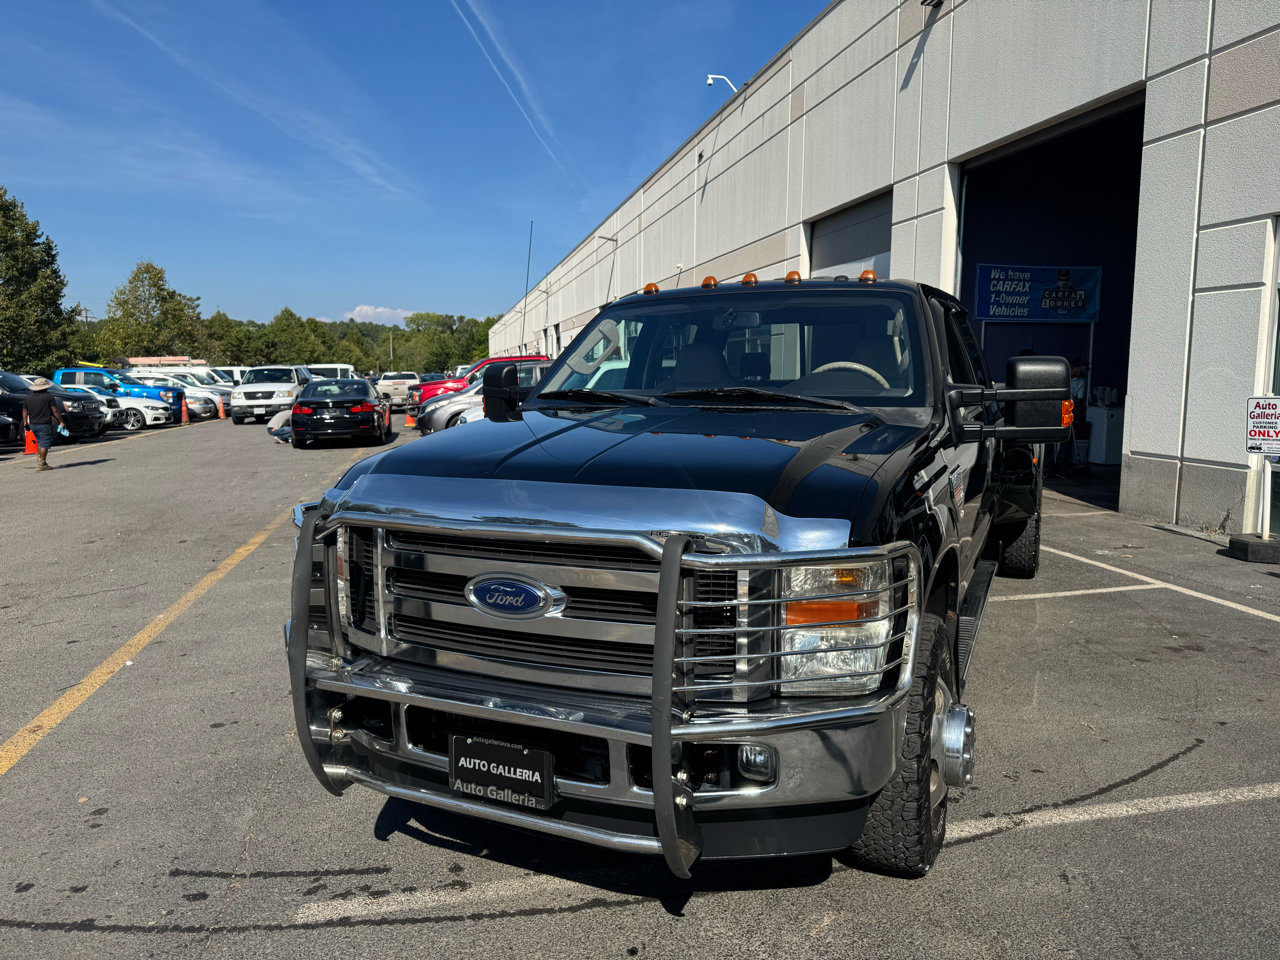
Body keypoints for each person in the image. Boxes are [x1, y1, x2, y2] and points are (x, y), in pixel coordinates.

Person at [23, 377, 65, 471]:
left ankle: (40, 460)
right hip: (44, 423)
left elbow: (25, 411)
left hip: (33, 424)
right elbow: (55, 410)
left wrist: (25, 422)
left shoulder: (28, 397)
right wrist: (61, 421)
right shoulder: (48, 396)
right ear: (45, 387)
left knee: (39, 442)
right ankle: (42, 463)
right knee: (44, 444)